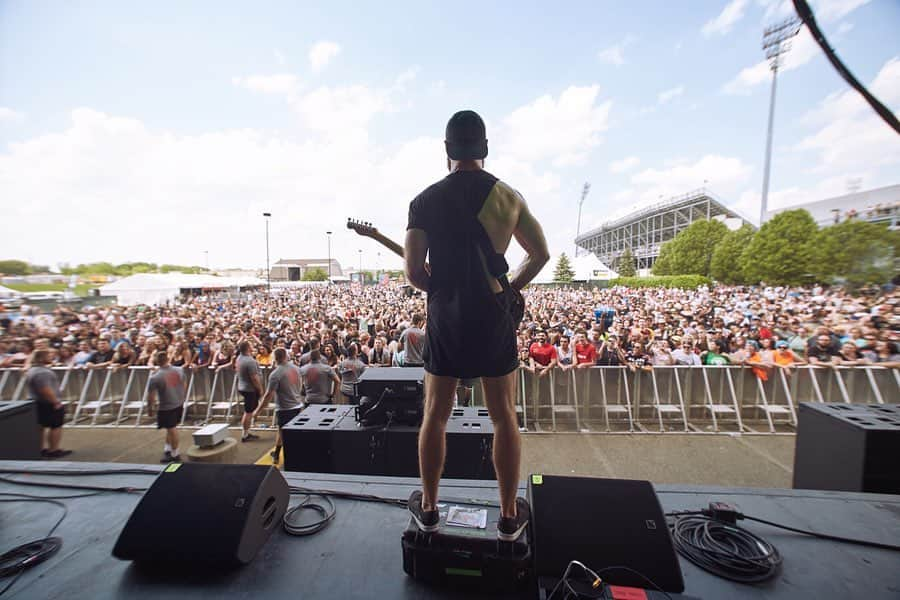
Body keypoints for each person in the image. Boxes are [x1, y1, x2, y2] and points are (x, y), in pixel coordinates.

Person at [404, 109, 549, 541]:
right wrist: (509, 290)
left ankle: (429, 508)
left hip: (446, 318)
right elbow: (539, 253)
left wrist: (443, 289)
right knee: (504, 416)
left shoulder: (424, 200)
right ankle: (507, 515)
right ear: (484, 149)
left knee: (436, 414)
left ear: (447, 151)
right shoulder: (508, 198)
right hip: (493, 316)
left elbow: (414, 273)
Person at [259, 347, 303, 464]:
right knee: (294, 431)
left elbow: (268, 395)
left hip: (284, 408)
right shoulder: (296, 369)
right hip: (297, 405)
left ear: (275, 358)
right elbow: (300, 385)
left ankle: (278, 455)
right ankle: (296, 455)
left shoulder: (275, 374)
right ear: (285, 356)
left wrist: (258, 411)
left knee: (281, 432)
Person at [26, 349, 71, 458]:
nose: (51, 357)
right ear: (41, 358)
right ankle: (53, 450)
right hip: (47, 403)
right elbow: (45, 389)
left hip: (36, 402)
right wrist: (55, 402)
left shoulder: (32, 370)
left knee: (40, 427)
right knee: (55, 426)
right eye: (49, 355)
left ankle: (41, 449)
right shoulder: (43, 372)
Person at [146, 351, 186, 463]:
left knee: (172, 429)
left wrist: (150, 409)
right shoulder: (179, 370)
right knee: (170, 428)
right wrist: (182, 396)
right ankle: (168, 448)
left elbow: (151, 396)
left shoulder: (155, 377)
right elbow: (184, 384)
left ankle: (175, 453)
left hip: (167, 406)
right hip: (178, 402)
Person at [236, 340, 263, 441]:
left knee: (249, 410)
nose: (253, 346)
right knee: (249, 411)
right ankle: (245, 434)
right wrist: (260, 389)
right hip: (249, 389)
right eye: (251, 345)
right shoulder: (249, 361)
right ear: (248, 348)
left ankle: (246, 432)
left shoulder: (239, 358)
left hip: (243, 386)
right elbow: (254, 378)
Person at [299, 339, 341, 404]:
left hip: (309, 396)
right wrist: (332, 394)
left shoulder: (303, 360)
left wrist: (302, 388)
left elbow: (299, 378)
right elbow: (335, 379)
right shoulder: (324, 360)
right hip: (324, 396)